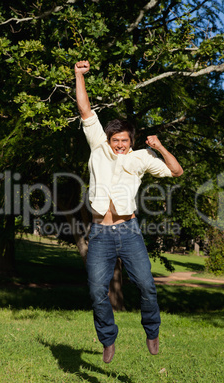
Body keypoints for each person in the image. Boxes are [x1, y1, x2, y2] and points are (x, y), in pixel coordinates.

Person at [75, 60, 183, 364]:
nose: (120, 144)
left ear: (130, 141)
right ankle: (108, 339)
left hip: (129, 231)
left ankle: (152, 331)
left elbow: (176, 171)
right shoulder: (98, 146)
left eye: (125, 140)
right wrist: (78, 76)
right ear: (109, 140)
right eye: (116, 140)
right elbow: (85, 110)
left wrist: (160, 147)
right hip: (99, 233)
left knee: (148, 286)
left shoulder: (141, 158)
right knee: (97, 292)